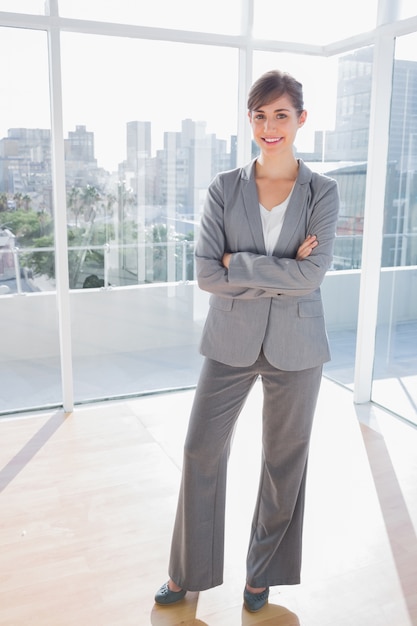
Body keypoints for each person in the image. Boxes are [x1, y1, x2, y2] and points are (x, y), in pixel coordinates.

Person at [154, 69, 340, 613]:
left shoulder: (322, 193)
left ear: (300, 119)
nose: (269, 126)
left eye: (280, 114)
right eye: (259, 115)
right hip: (229, 339)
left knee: (285, 461)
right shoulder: (224, 188)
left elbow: (313, 277)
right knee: (199, 450)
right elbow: (208, 275)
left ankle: (261, 576)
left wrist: (241, 263)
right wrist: (276, 268)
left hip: (298, 346)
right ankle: (187, 573)